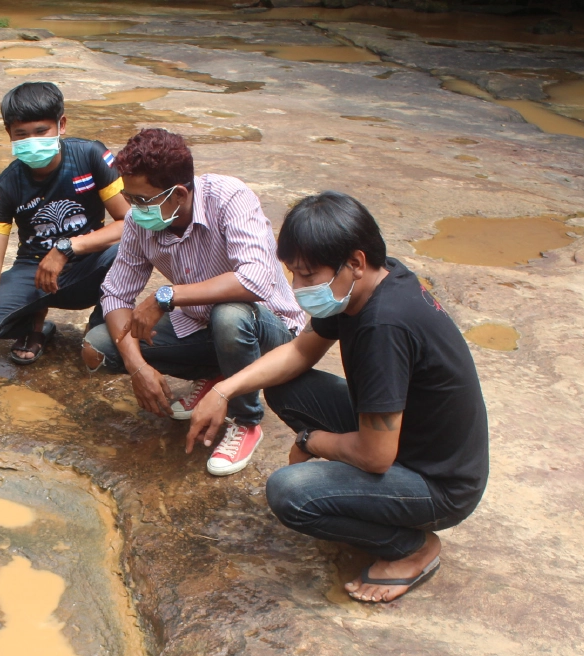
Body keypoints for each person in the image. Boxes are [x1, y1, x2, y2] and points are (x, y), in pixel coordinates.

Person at [186, 192, 489, 603]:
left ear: (356, 262)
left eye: (308, 276)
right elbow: (300, 350)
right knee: (285, 386)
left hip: (440, 483)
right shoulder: (372, 283)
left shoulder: (384, 327)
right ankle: (363, 500)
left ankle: (411, 548)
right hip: (408, 437)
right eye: (293, 274)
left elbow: (376, 454)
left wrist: (310, 442)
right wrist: (225, 389)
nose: (298, 288)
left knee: (290, 492)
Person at [82, 128, 304, 477]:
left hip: (268, 332)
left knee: (230, 315)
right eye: (130, 198)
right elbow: (116, 294)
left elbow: (256, 279)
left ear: (179, 193)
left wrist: (167, 296)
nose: (132, 209)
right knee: (101, 345)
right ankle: (216, 372)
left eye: (141, 200)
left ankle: (246, 421)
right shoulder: (143, 221)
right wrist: (137, 366)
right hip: (203, 326)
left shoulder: (230, 198)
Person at [0, 81, 128, 369]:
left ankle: (100, 329)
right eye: (22, 134)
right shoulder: (6, 186)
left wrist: (67, 248)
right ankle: (35, 325)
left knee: (129, 249)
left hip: (90, 264)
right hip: (34, 273)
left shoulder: (90, 156)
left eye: (41, 131)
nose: (32, 140)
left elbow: (129, 223)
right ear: (9, 134)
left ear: (61, 124)